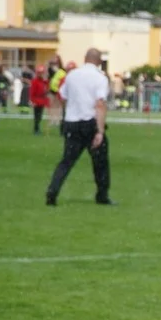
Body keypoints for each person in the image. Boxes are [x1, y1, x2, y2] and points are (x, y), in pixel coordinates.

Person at [45, 48, 112, 206]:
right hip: (90, 123)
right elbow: (100, 104)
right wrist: (100, 131)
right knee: (100, 162)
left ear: (84, 58)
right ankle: (102, 195)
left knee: (67, 160)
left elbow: (63, 96)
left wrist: (70, 111)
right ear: (100, 62)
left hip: (72, 123)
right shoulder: (100, 78)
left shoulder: (72, 75)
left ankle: (52, 191)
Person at [29, 65, 49, 135]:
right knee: (37, 116)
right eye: (40, 73)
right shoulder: (35, 81)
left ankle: (37, 128)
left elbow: (47, 89)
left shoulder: (44, 81)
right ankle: (36, 129)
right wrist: (32, 100)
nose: (41, 74)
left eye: (42, 73)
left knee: (40, 116)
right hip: (36, 100)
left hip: (42, 100)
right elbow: (32, 92)